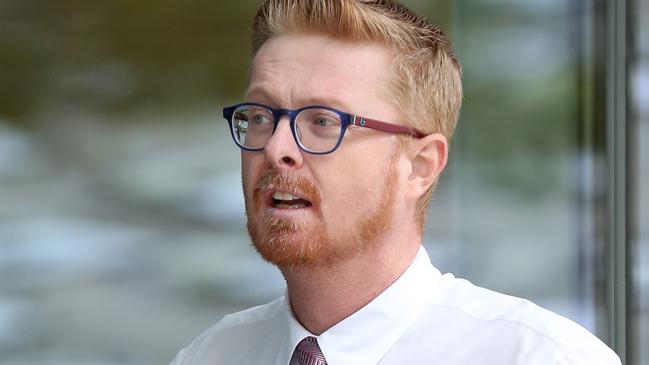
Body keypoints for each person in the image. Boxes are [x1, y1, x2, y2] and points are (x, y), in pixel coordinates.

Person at [170, 0, 621, 364]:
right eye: (261, 115)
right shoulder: (210, 355)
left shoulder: (542, 357)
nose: (275, 147)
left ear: (420, 166)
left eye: (323, 120)